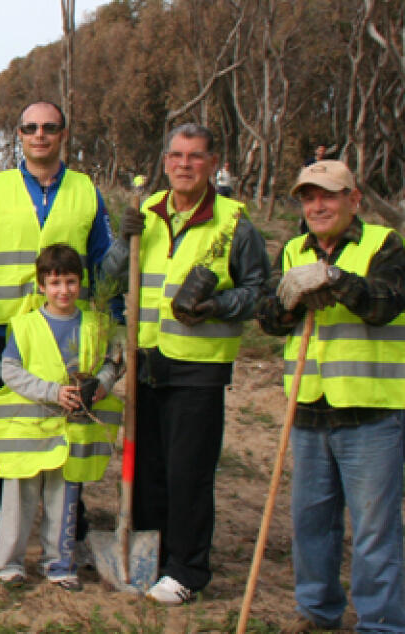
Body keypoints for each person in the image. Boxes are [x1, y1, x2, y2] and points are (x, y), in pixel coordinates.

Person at [0, 100, 114, 557]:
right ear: (19, 134)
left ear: (63, 134)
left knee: (70, 430)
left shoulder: (86, 191)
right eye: (31, 128)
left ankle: (70, 529)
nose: (40, 135)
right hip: (10, 334)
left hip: (69, 337)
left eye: (49, 127)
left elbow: (103, 261)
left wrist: (116, 318)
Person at [103, 123, 269, 604]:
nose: (183, 165)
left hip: (199, 368)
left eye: (195, 157)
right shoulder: (146, 214)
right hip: (147, 361)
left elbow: (259, 292)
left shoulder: (235, 225)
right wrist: (121, 242)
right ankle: (150, 555)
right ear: (165, 161)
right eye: (175, 156)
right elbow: (109, 281)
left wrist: (217, 305)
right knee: (148, 468)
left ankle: (188, 570)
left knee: (188, 473)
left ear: (212, 163)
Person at [256, 160, 405, 632]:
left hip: (371, 411)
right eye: (308, 197)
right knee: (311, 524)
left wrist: (336, 281)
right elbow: (267, 318)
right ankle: (317, 613)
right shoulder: (293, 249)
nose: (317, 205)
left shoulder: (385, 245)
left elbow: (385, 304)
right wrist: (287, 300)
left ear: (353, 199)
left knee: (374, 531)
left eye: (328, 195)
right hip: (309, 409)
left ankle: (380, 623)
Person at [0, 244, 122, 591]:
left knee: (64, 499)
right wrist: (50, 392)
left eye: (71, 282)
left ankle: (59, 564)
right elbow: (9, 370)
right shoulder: (27, 325)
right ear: (42, 285)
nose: (64, 291)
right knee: (19, 499)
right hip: (29, 431)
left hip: (72, 432)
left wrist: (103, 384)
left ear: (81, 283)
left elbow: (113, 361)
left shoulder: (96, 324)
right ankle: (9, 564)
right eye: (56, 283)